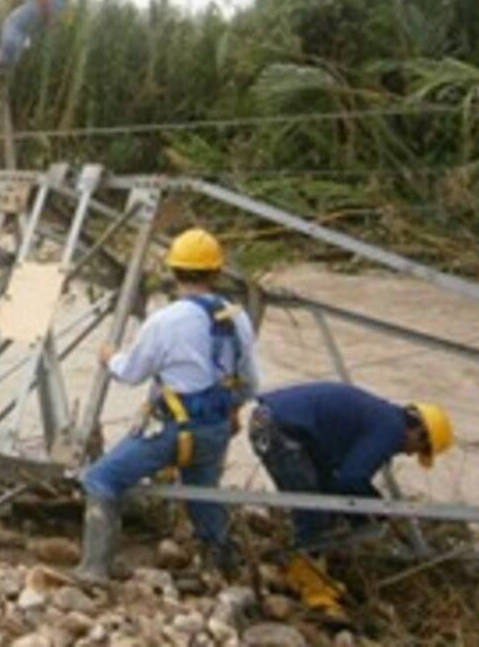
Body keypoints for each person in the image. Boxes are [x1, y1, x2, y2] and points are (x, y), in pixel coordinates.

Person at [77, 227, 259, 582]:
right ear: (217, 273)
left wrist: (110, 358)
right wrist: (232, 410)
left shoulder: (164, 321)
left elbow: (131, 374)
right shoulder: (237, 318)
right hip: (215, 428)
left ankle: (94, 567)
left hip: (174, 430)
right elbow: (250, 382)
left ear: (173, 272)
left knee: (100, 478)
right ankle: (221, 567)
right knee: (202, 492)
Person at [250, 382, 453, 617]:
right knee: (312, 506)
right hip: (281, 429)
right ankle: (313, 589)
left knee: (321, 500)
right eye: (417, 449)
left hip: (275, 421)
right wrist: (374, 514)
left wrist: (361, 514)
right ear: (419, 432)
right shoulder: (391, 429)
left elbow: (338, 480)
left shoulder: (383, 417)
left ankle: (301, 570)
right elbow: (352, 479)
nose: (409, 453)